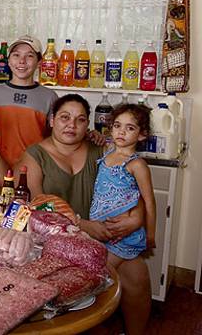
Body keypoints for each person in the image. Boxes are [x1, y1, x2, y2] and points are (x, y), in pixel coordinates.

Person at [18, 94, 150, 335]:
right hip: (52, 243)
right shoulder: (33, 155)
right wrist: (81, 224)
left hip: (104, 237)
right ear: (51, 120)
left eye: (80, 120)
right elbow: (33, 206)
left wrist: (136, 219)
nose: (71, 125)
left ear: (88, 125)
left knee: (138, 274)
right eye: (65, 118)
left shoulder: (102, 151)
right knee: (84, 286)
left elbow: (133, 188)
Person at [89, 103, 155, 335]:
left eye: (129, 128)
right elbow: (96, 138)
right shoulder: (108, 151)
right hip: (104, 232)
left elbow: (148, 201)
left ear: (142, 134)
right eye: (117, 126)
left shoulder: (137, 164)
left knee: (97, 279)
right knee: (126, 281)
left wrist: (151, 234)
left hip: (122, 237)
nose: (121, 132)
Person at [0, 35, 58, 168]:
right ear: (9, 61)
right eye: (16, 55)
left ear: (39, 62)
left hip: (34, 169)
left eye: (29, 56)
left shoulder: (49, 97)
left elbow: (57, 138)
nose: (22, 61)